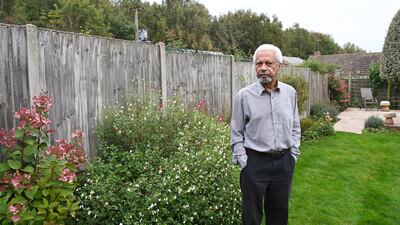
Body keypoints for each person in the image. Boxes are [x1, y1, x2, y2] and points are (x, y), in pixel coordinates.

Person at [230, 44, 301, 225]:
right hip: (254, 164)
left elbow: (295, 125)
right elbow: (236, 132)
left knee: (278, 217)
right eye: (258, 63)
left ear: (279, 66)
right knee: (251, 217)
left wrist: (293, 154)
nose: (263, 68)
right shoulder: (244, 96)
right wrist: (244, 162)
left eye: (268, 63)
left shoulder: (290, 93)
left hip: (284, 164)